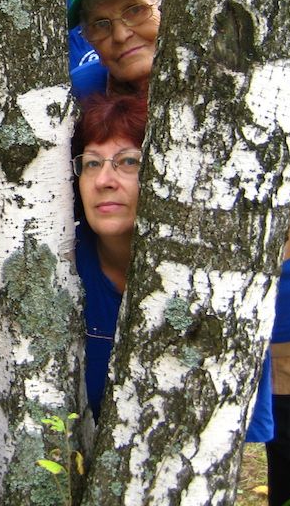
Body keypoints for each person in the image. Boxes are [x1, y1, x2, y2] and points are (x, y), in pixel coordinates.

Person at [69, 0, 290, 506]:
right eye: (100, 23)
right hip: (180, 303)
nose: (120, 33)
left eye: (137, 10)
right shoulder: (86, 89)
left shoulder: (231, 66)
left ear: (170, 5)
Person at [72, 92, 273, 443]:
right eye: (92, 163)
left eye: (129, 162)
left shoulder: (218, 285)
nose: (104, 180)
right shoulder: (58, 269)